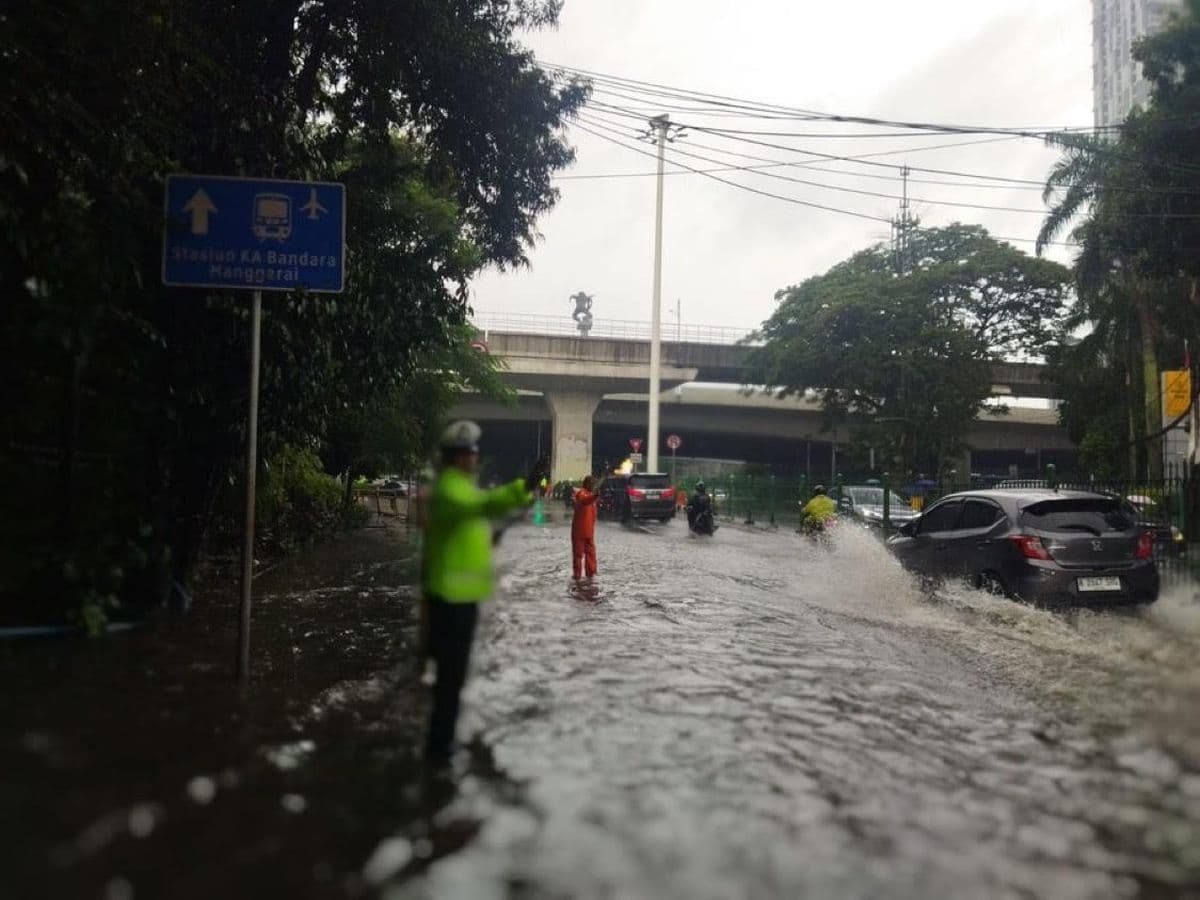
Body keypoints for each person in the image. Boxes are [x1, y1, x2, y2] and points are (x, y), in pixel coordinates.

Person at [420, 420, 533, 762]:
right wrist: (520, 487)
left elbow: (483, 515)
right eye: (471, 452)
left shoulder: (463, 487)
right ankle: (439, 751)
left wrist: (519, 497)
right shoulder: (450, 489)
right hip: (450, 598)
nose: (475, 458)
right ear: (456, 457)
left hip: (460, 598)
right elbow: (482, 506)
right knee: (450, 678)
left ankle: (443, 741)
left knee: (452, 677)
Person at [571, 476, 599, 579]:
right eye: (592, 484)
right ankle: (577, 575)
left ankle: (590, 574)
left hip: (589, 532)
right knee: (578, 555)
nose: (593, 486)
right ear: (587, 484)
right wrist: (595, 496)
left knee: (591, 554)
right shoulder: (581, 493)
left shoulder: (590, 495)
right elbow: (585, 500)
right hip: (579, 532)